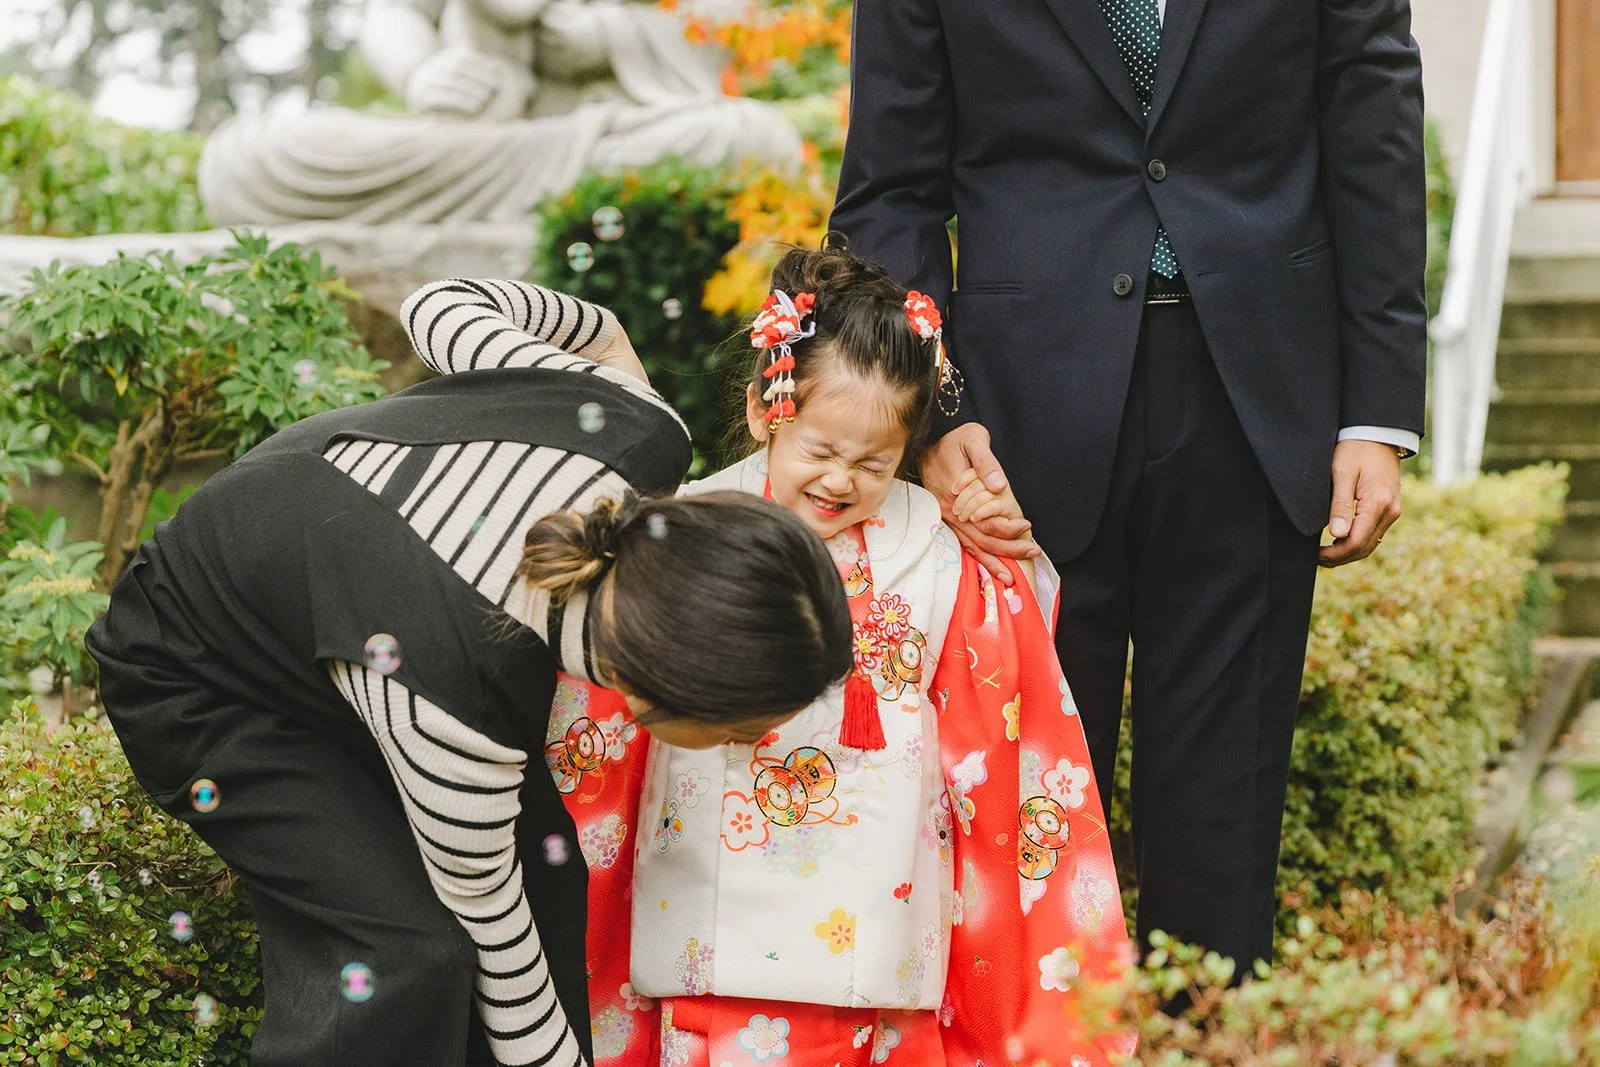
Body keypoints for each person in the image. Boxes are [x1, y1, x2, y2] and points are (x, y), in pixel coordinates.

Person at [85, 279, 855, 1067]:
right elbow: (506, 971)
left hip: (342, 623)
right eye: (739, 726)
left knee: (546, 862)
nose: (756, 740)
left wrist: (612, 354)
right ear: (654, 687)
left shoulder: (639, 428)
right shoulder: (452, 713)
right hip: (199, 672)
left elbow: (442, 306)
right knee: (409, 954)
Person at [830, 0, 1427, 973]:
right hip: (1010, 424)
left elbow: (1374, 139)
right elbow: (887, 193)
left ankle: (1210, 1035)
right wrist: (932, 412)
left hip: (1258, 398)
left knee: (1222, 821)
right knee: (1020, 829)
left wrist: (1375, 410)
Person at [495, 243, 1135, 1066]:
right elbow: (610, 727)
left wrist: (1004, 560)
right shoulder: (689, 525)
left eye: (873, 461)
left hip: (878, 935)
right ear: (771, 407)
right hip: (707, 936)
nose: (842, 480)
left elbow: (1003, 736)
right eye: (822, 451)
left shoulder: (937, 553)